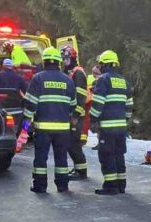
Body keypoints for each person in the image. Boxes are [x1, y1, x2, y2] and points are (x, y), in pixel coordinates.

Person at [23, 46, 80, 193]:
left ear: (45, 61)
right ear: (58, 62)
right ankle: (62, 185)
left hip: (43, 129)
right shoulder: (68, 80)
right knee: (61, 159)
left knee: (41, 159)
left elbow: (30, 105)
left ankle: (40, 186)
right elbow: (73, 105)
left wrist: (25, 127)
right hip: (62, 129)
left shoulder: (38, 78)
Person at [89, 50, 133, 195]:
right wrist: (124, 121)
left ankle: (110, 186)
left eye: (100, 64)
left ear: (104, 64)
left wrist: (93, 119)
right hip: (121, 127)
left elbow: (98, 103)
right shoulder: (124, 82)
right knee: (119, 155)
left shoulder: (103, 80)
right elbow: (129, 106)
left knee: (107, 155)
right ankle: (121, 185)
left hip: (107, 128)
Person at [63, 44, 90, 180]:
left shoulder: (78, 73)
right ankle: (79, 169)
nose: (64, 61)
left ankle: (81, 172)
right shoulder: (71, 72)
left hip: (76, 116)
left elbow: (81, 97)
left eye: (66, 58)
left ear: (72, 57)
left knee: (74, 144)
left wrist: (75, 115)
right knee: (71, 144)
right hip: (72, 115)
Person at [0, 57, 28, 130]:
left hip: (0, 106)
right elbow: (26, 90)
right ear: (12, 67)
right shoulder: (19, 78)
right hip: (15, 106)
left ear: (3, 66)